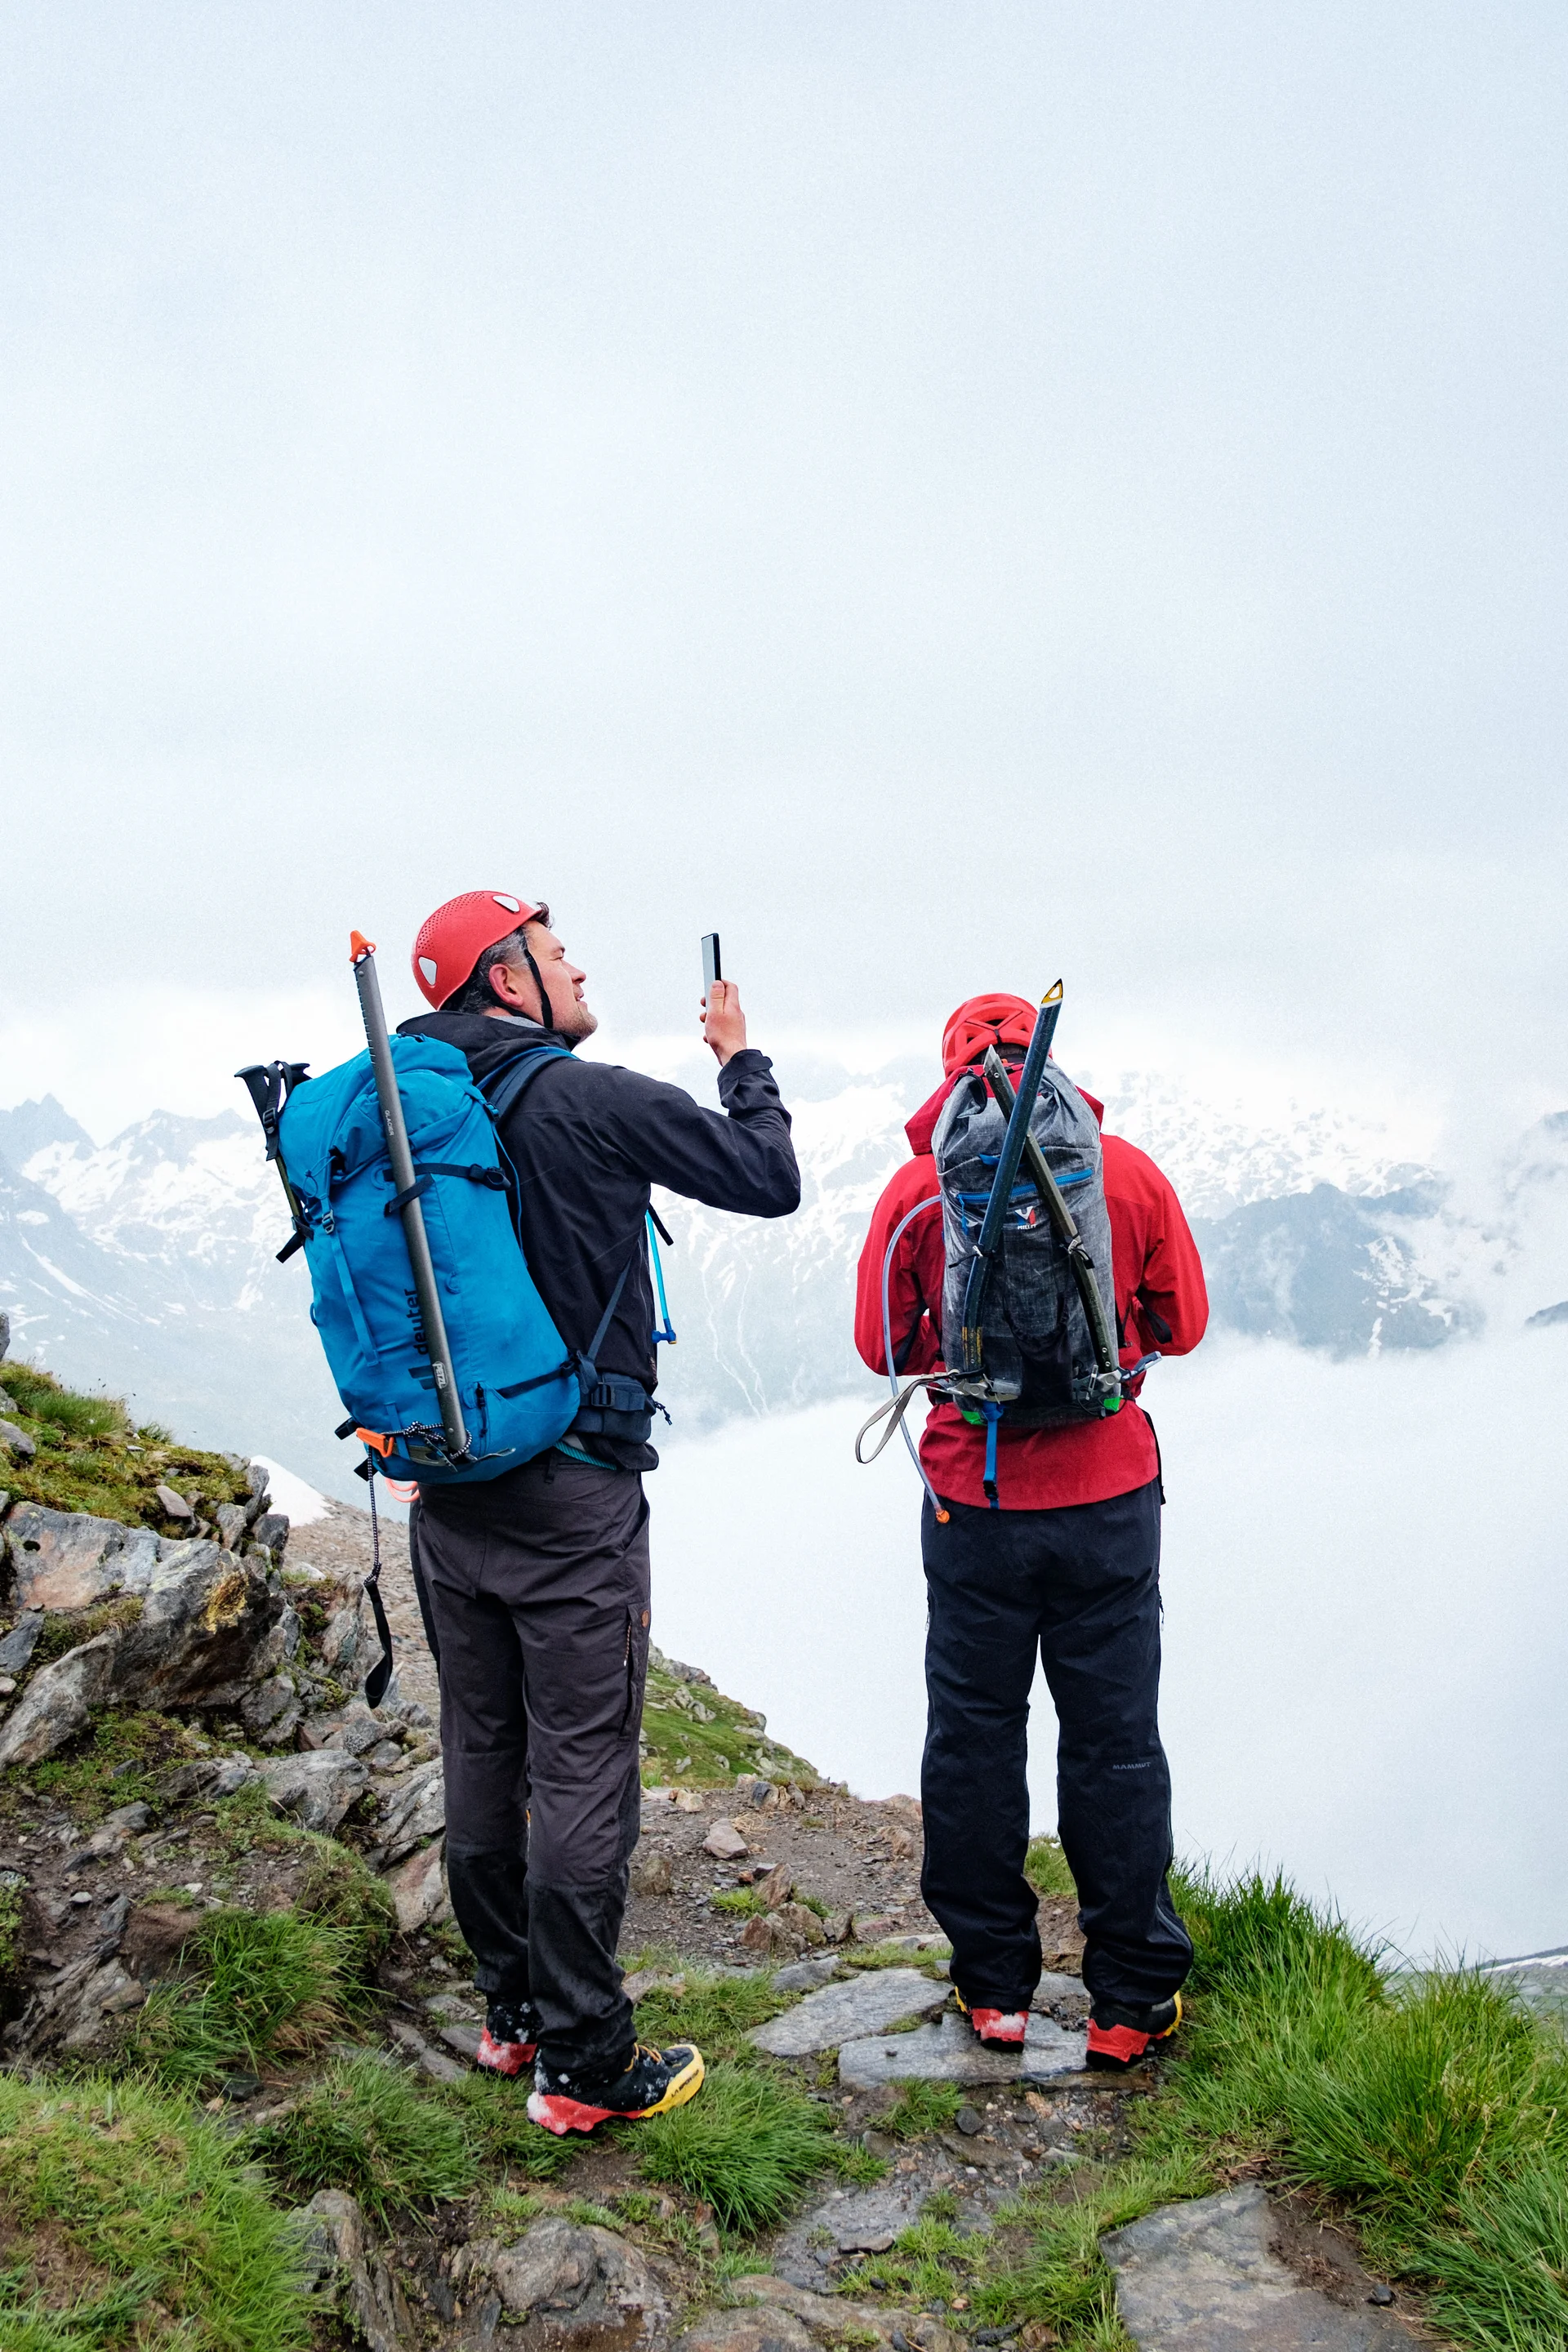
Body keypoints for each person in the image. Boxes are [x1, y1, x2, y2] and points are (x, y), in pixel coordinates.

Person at [399, 891, 800, 2134]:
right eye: (558, 953)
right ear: (508, 981)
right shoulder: (594, 1098)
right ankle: (586, 2061)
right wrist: (742, 1062)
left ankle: (510, 2012)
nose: (578, 969)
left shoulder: (397, 1107)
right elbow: (768, 1178)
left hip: (449, 1490)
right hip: (574, 1493)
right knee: (581, 1767)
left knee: (482, 1748)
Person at [853, 992, 1208, 2071]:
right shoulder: (1127, 1173)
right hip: (1108, 1501)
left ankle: (995, 1987)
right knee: (1114, 1742)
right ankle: (1129, 2000)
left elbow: (881, 1347)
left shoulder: (922, 1191)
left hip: (977, 1500)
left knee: (972, 1736)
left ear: (954, 1074)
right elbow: (1182, 1327)